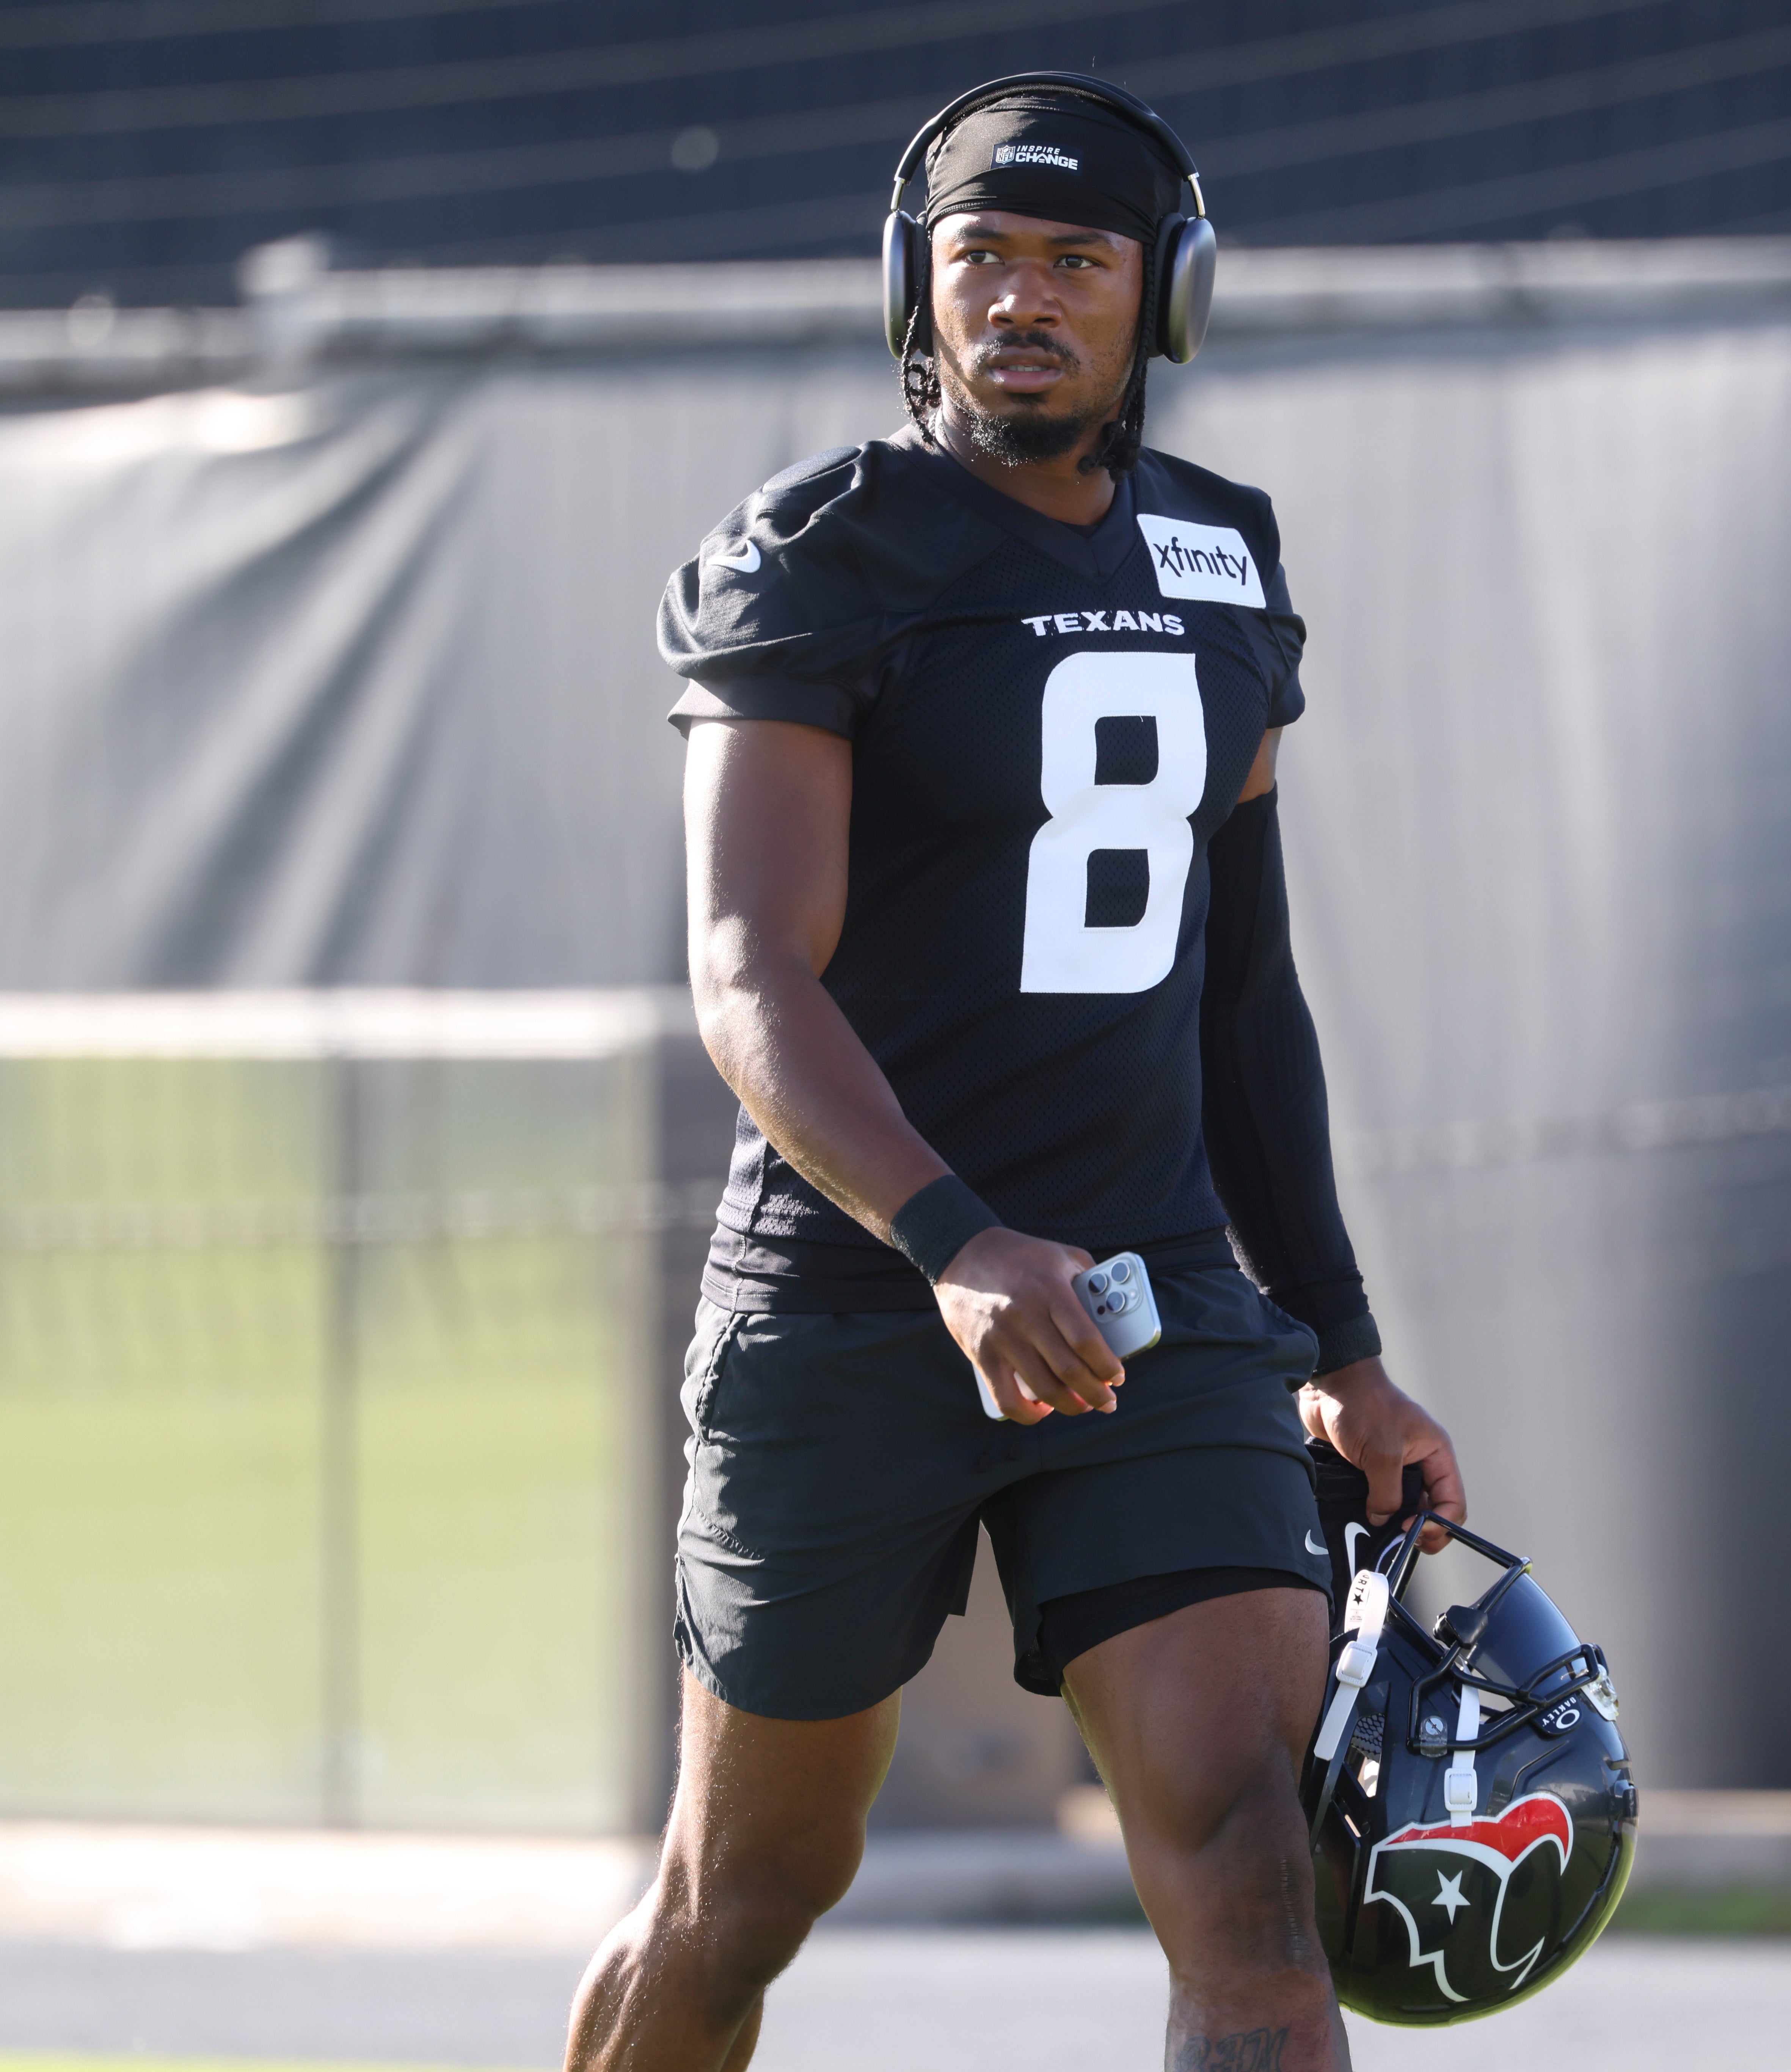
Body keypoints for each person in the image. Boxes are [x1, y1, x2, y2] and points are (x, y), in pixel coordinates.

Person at [565, 77, 1466, 2072]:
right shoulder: (821, 552)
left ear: (1168, 295)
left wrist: (1341, 1336)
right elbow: (747, 972)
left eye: (1078, 258)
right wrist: (961, 1242)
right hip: (858, 1308)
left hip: (1159, 1323)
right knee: (745, 1893)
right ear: (920, 284)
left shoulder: (1225, 557)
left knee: (1252, 1879)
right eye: (984, 257)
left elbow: (1244, 995)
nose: (1025, 299)